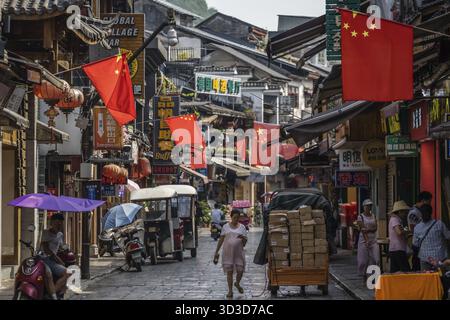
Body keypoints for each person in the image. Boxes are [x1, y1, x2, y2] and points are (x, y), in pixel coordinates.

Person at [213, 209, 248, 298]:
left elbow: (244, 243)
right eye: (235, 217)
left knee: (240, 270)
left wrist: (243, 238)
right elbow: (221, 239)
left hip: (239, 253)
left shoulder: (242, 227)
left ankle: (237, 283)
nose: (236, 219)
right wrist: (216, 251)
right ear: (231, 217)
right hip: (228, 253)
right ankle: (230, 291)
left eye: (238, 218)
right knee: (230, 272)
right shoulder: (225, 227)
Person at [40, 213, 71, 299]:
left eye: (60, 223)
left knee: (68, 273)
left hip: (52, 260)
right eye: (56, 223)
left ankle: (54, 292)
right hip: (44, 259)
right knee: (48, 274)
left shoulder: (60, 234)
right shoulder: (45, 233)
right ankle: (52, 295)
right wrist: (57, 259)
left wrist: (66, 250)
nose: (59, 225)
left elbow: (60, 247)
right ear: (52, 223)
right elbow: (46, 249)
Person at [412, 204, 450, 271]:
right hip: (440, 258)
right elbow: (448, 236)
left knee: (427, 279)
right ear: (431, 213)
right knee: (441, 278)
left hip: (425, 258)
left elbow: (415, 244)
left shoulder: (417, 227)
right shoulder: (439, 224)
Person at [408, 191, 432, 271]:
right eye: (429, 201)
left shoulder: (420, 211)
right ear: (423, 201)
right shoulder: (414, 213)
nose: (429, 204)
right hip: (418, 243)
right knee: (417, 265)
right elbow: (413, 228)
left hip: (423, 244)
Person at [356, 199, 380, 281]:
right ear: (363, 207)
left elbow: (375, 228)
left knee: (376, 258)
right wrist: (366, 240)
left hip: (373, 239)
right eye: (367, 206)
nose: (369, 207)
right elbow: (363, 230)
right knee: (364, 260)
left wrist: (369, 230)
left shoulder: (374, 216)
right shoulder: (360, 217)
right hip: (363, 240)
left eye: (370, 205)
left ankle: (374, 277)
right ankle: (364, 274)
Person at [388, 201, 411, 273]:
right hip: (398, 249)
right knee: (405, 270)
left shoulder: (396, 219)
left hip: (396, 249)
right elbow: (399, 232)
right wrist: (408, 231)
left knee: (395, 271)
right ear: (400, 211)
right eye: (404, 212)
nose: (405, 214)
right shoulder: (395, 219)